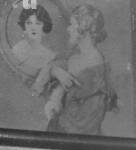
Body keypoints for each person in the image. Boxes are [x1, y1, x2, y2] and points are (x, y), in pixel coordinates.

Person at [44, 4, 117, 135]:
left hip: (76, 136)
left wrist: (55, 108)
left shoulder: (94, 63)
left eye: (72, 25)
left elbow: (85, 119)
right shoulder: (76, 58)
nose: (68, 29)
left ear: (84, 29)